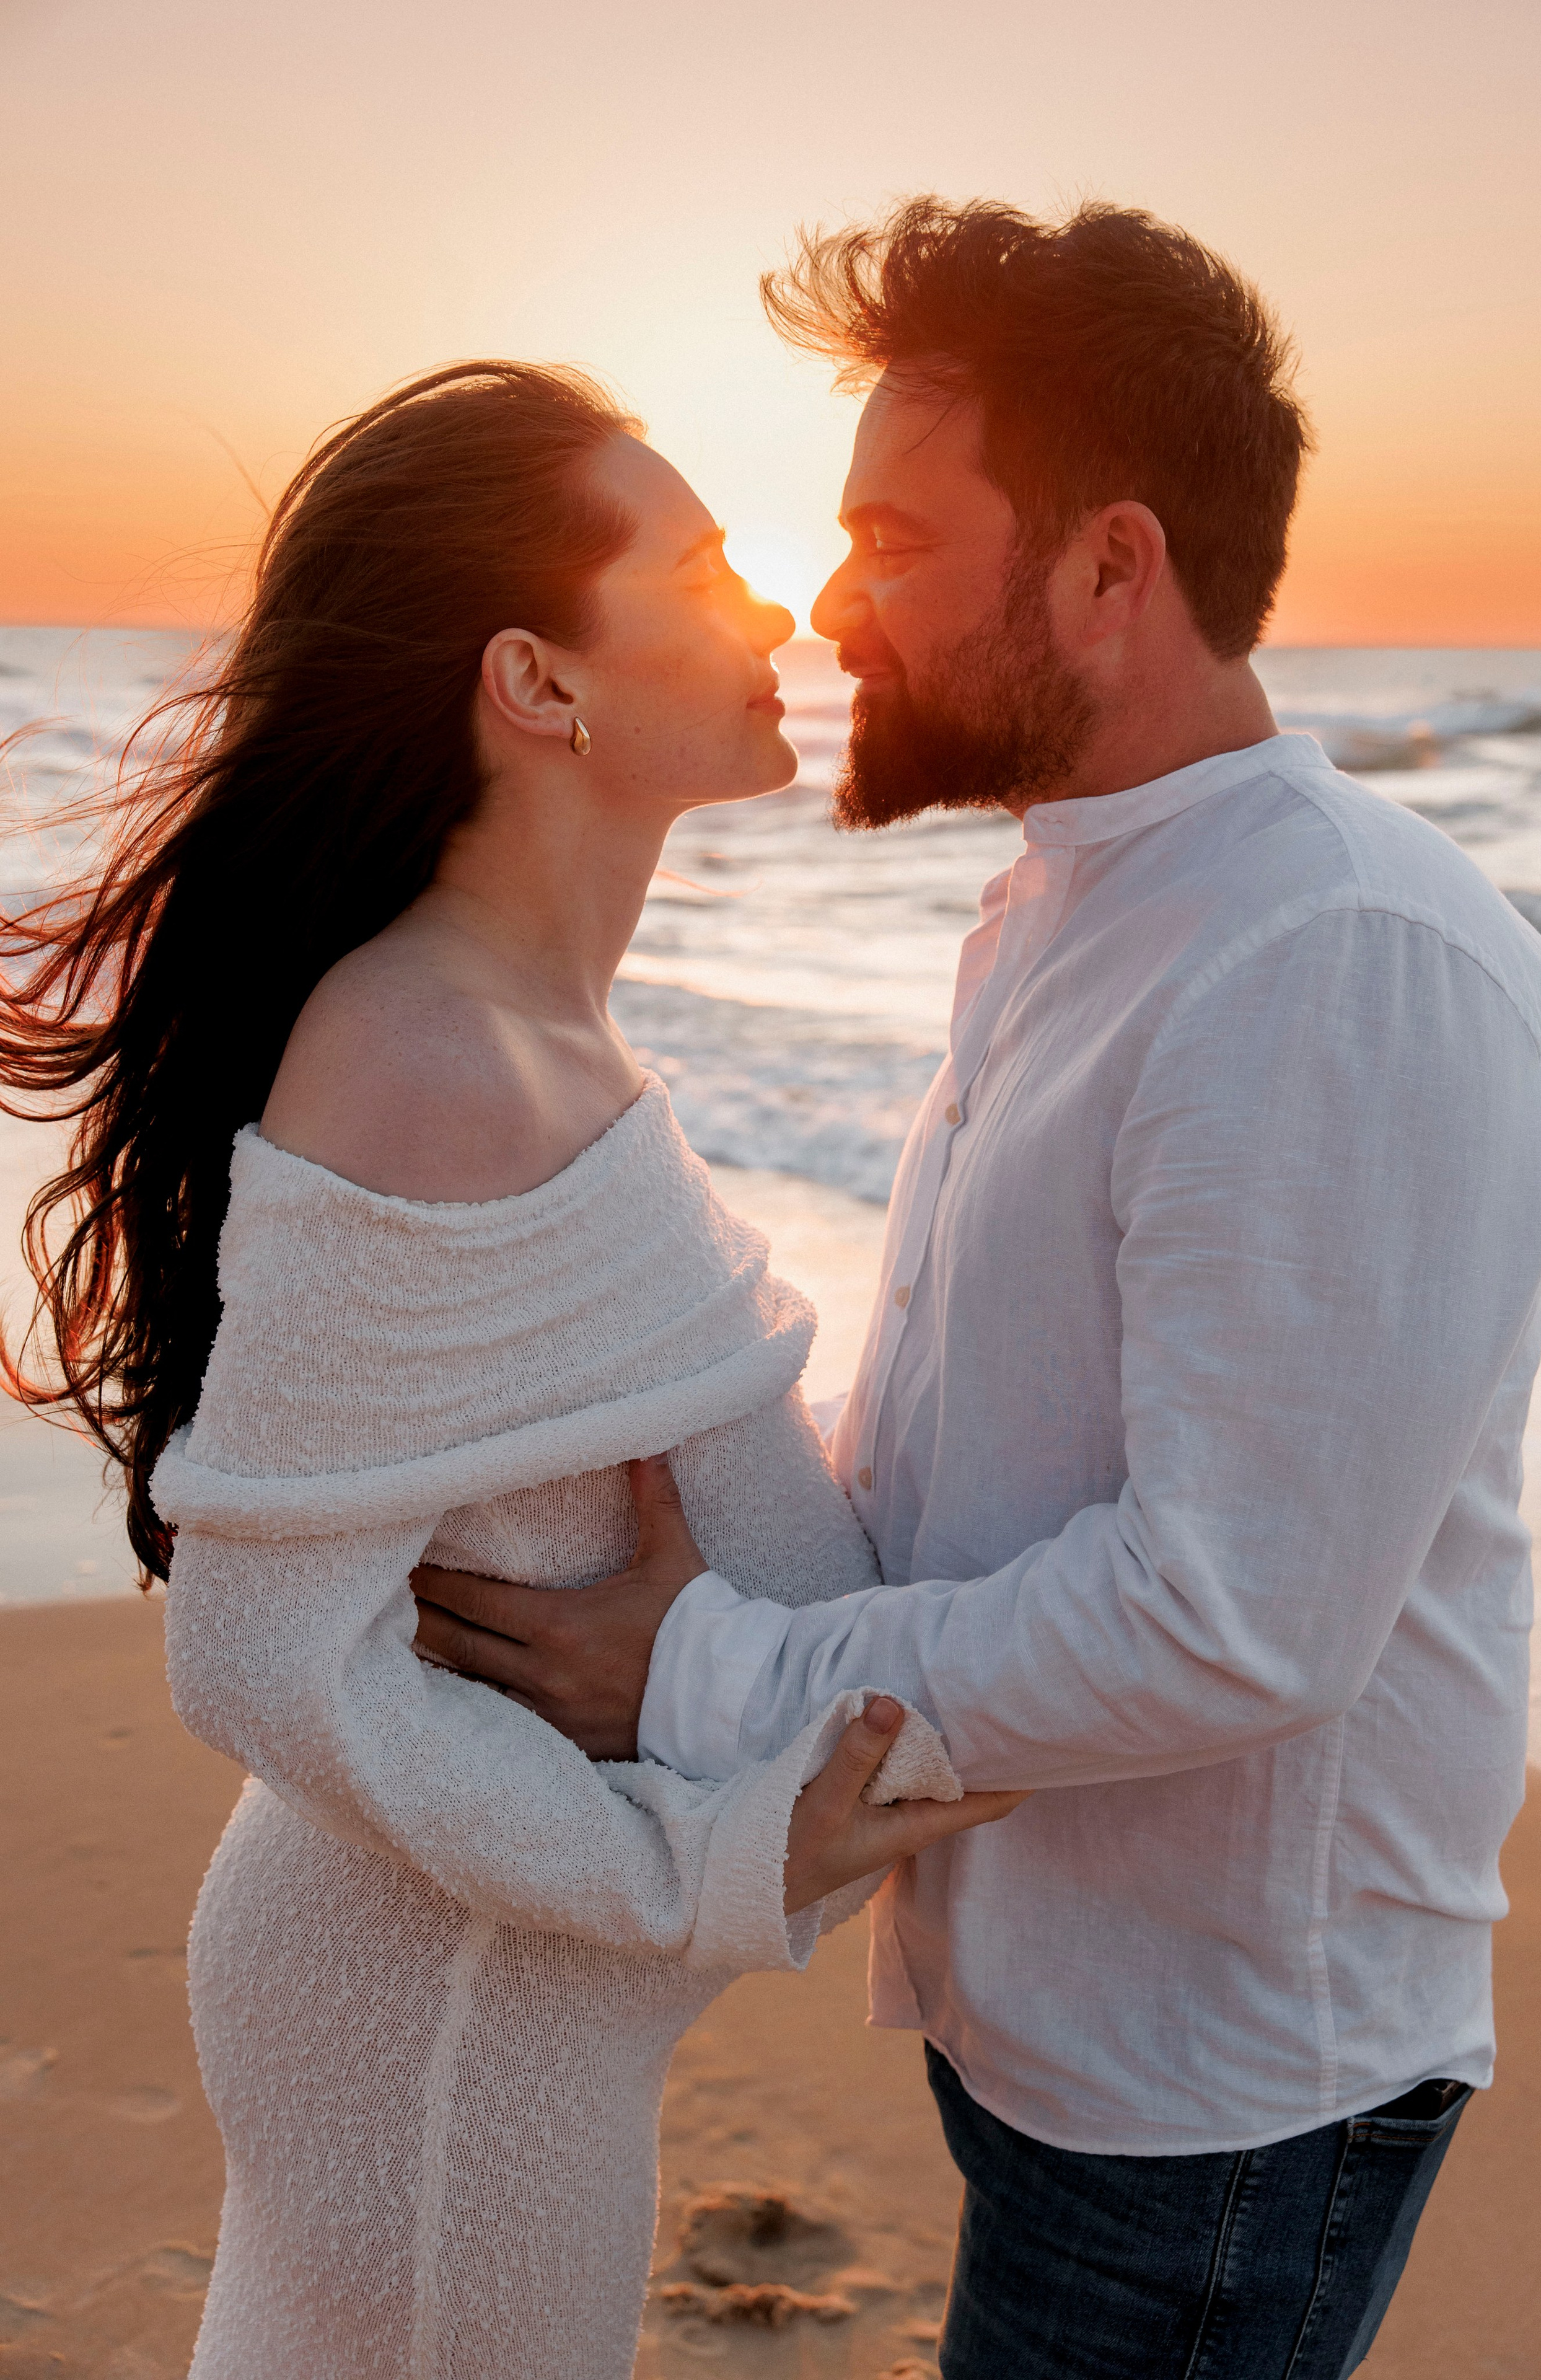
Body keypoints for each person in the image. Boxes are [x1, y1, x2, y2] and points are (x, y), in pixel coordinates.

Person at [413, 207, 1541, 2377]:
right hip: (1066, 1990)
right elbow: (997, 1432)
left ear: (1113, 567)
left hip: (1223, 2070)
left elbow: (1230, 1616)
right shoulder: (1080, 897)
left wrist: (699, 1673)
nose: (830, 599)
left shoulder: (1330, 963)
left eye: (891, 536)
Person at [0, 361, 1023, 2380]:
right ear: (539, 682)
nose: (774, 612)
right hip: (443, 2027)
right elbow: (257, 1656)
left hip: (481, 2004)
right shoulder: (431, 1055)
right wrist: (702, 1866)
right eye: (709, 562)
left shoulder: (534, 1034)